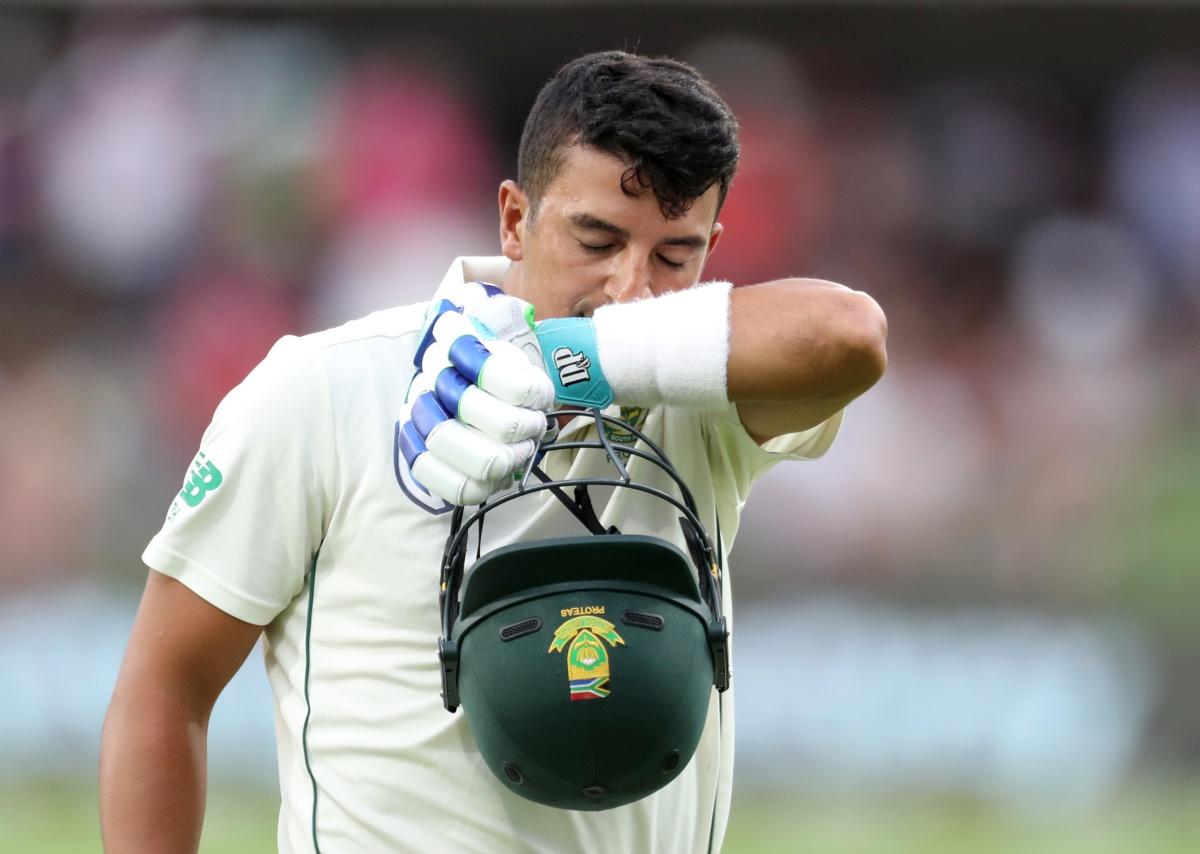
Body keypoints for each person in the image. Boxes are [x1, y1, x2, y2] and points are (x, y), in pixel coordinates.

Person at [100, 50, 887, 853]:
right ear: (515, 219)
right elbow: (166, 688)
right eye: (596, 239)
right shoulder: (323, 388)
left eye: (674, 257)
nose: (630, 288)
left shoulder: (699, 398)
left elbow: (849, 335)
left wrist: (568, 361)